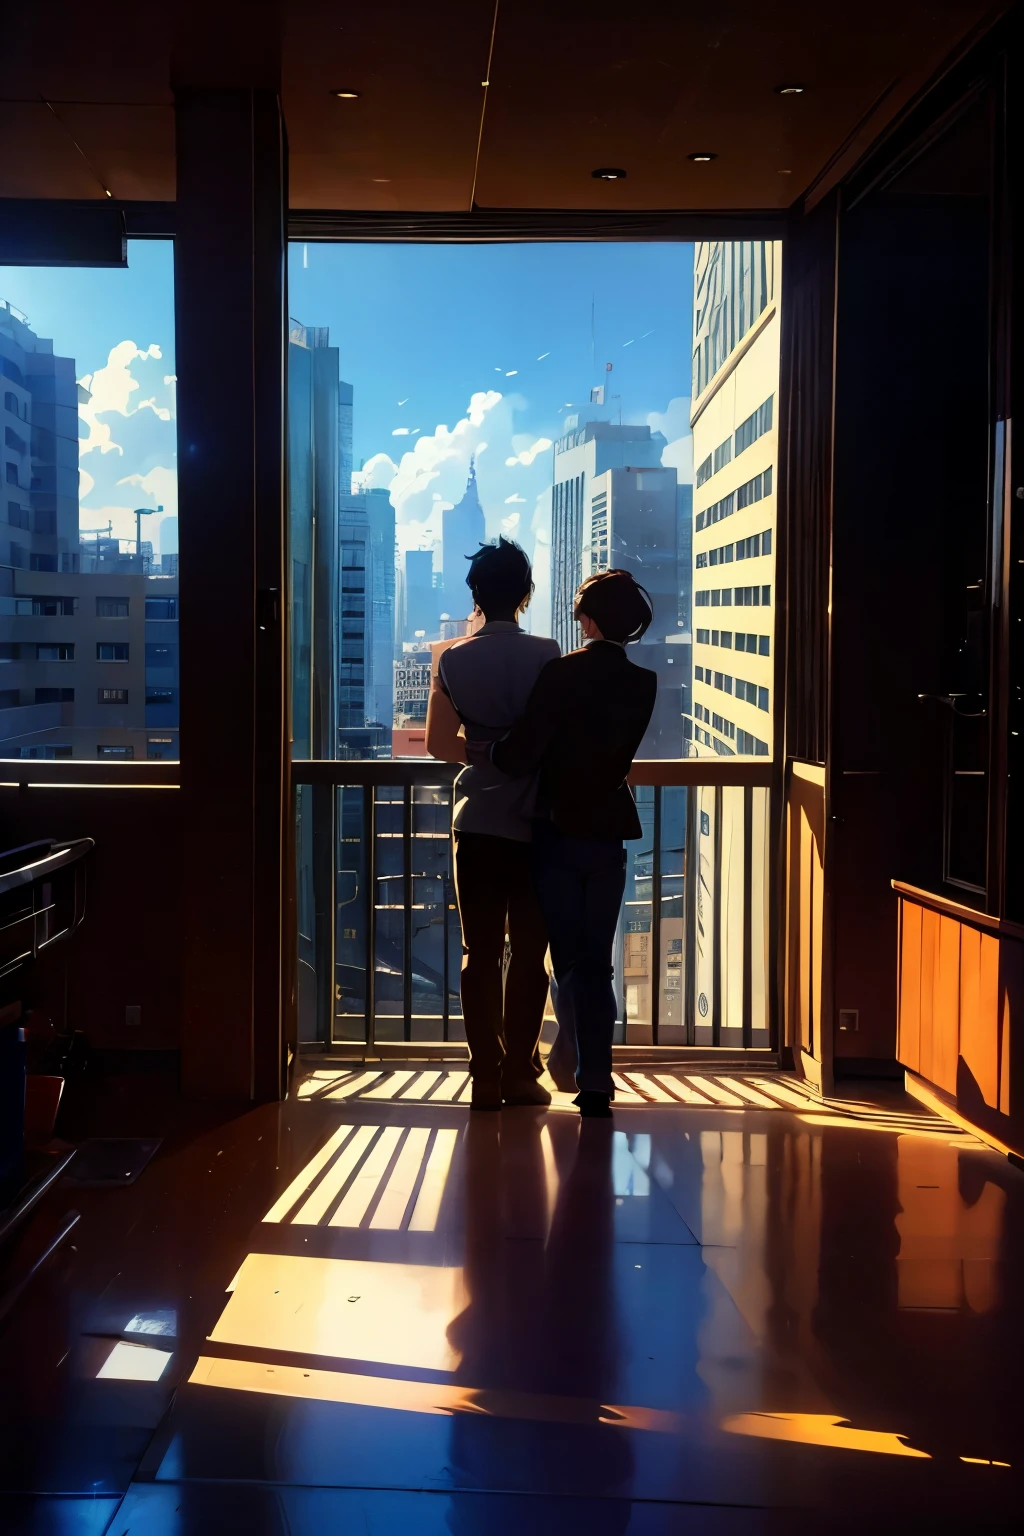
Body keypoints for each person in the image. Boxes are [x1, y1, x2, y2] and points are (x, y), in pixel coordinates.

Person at [473, 569, 657, 1118]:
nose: (577, 623)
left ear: (592, 620)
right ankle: (594, 1079)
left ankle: (571, 1055)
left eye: (580, 615)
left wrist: (484, 752)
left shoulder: (561, 674)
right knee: (595, 961)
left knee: (562, 955)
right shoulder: (643, 684)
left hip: (556, 830)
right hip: (609, 832)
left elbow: (522, 752)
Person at [425, 537, 560, 1111]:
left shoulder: (452, 659)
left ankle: (484, 1074)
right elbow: (558, 737)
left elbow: (436, 744)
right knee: (530, 955)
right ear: (526, 594)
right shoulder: (549, 654)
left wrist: (484, 753)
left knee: (478, 953)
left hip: (476, 821)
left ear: (475, 595)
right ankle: (520, 1076)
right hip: (537, 825)